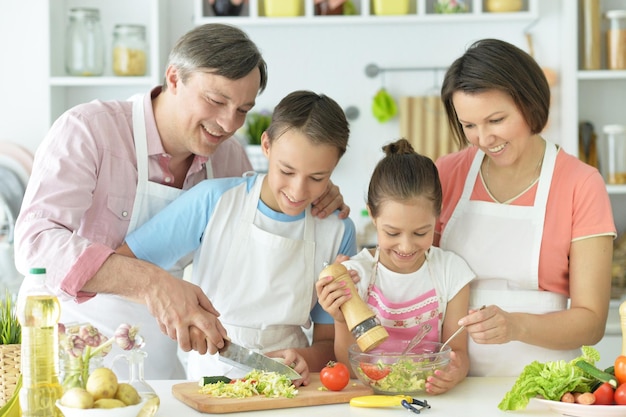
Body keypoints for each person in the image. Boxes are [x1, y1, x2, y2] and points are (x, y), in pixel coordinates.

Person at [13, 24, 348, 380]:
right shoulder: (90, 130)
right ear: (174, 78)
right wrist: (152, 283)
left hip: (152, 355)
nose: (228, 123)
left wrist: (316, 190)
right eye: (217, 101)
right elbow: (35, 245)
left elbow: (266, 213)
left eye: (243, 110)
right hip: (68, 344)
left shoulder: (228, 159)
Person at [116, 90, 356, 385]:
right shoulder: (213, 201)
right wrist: (174, 303)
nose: (297, 191)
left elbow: (330, 344)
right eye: (287, 171)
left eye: (317, 178)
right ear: (266, 145)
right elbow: (123, 263)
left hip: (290, 386)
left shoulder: (337, 231)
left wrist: (303, 358)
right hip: (211, 379)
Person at [435, 38, 616, 377]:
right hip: (453, 380)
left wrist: (515, 327)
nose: (484, 139)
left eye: (496, 120)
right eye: (469, 126)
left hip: (548, 385)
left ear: (529, 104)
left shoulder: (580, 184)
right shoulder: (446, 173)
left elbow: (591, 320)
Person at [316, 138, 474, 395]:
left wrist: (455, 372)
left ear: (437, 215)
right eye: (392, 232)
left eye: (421, 232)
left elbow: (459, 354)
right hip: (371, 403)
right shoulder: (357, 275)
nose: (406, 246)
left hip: (431, 401)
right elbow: (348, 365)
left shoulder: (451, 272)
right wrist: (340, 319)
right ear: (373, 216)